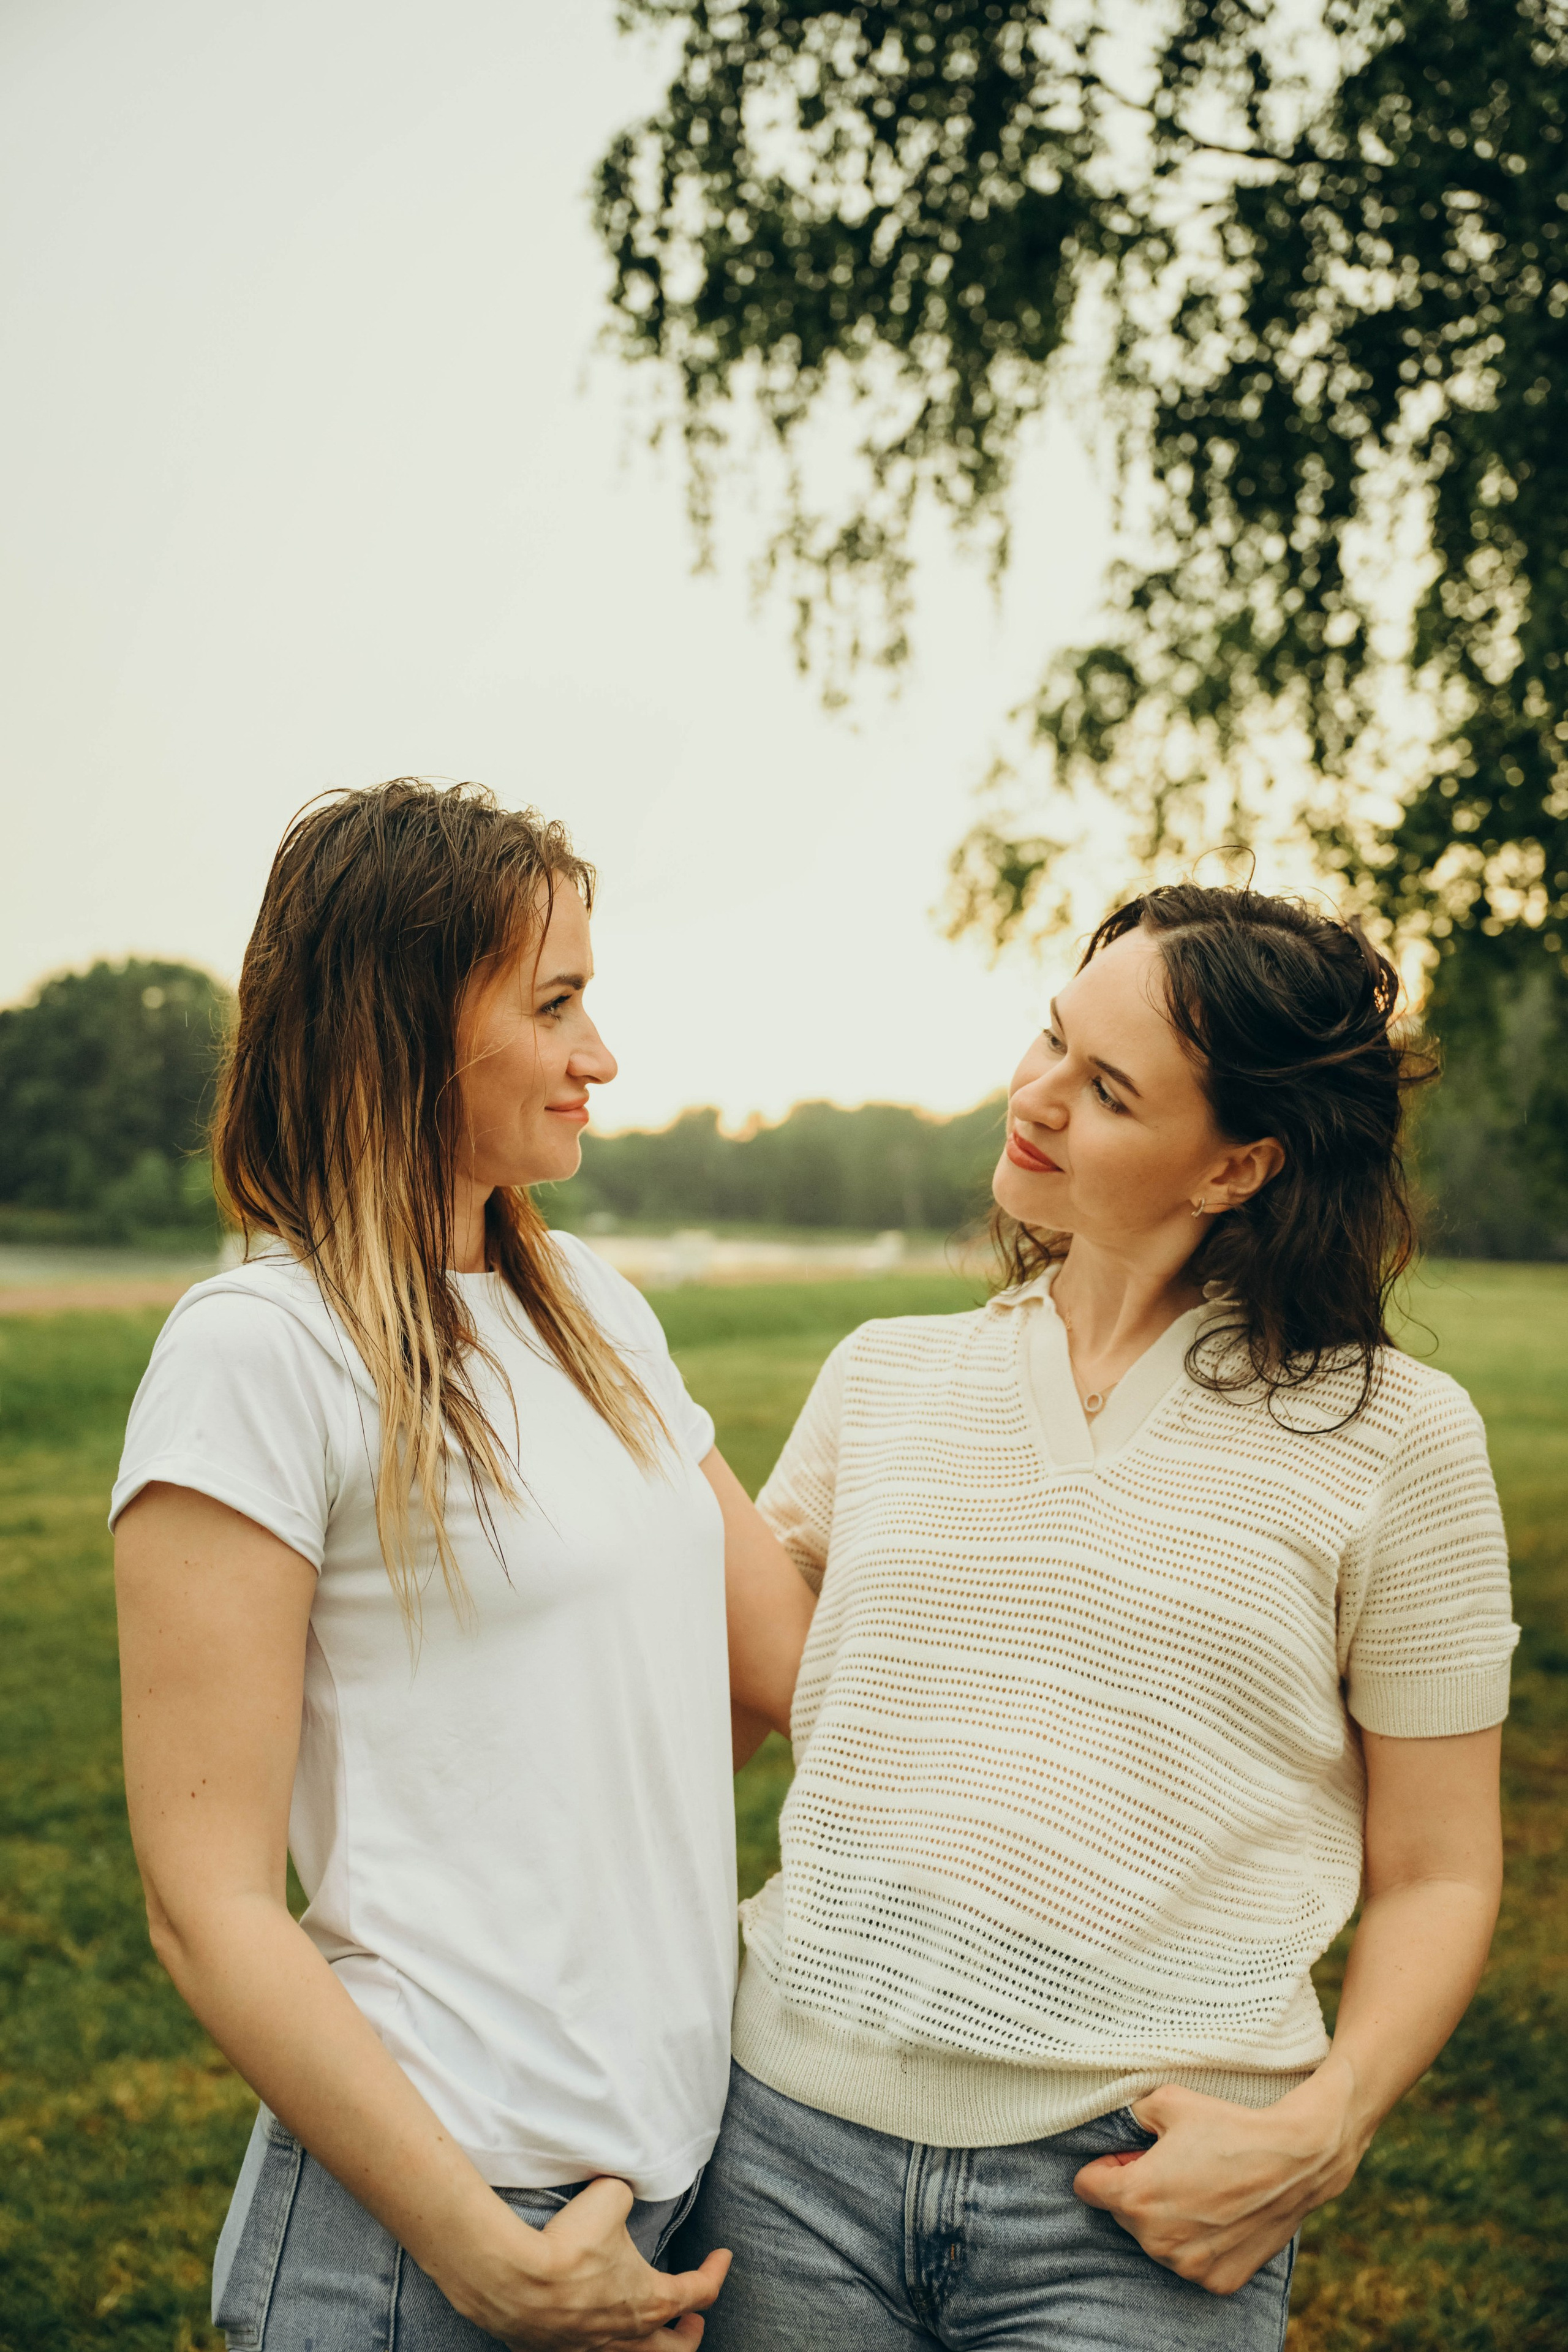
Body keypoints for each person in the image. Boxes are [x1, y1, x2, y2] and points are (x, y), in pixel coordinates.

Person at [676, 883, 1518, 2351]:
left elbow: (1439, 1870)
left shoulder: (1397, 1439)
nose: (1037, 1099)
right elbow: (708, 1728)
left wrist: (1323, 2129)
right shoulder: (880, 1379)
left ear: (1235, 1166)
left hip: (1138, 2210)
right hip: (783, 2160)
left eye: (1108, 1090)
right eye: (1049, 1042)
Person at [111, 780, 810, 2351]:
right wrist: (479, 2255)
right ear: (405, 1028)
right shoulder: (261, 1352)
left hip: (656, 2196)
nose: (600, 1057)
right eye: (554, 1006)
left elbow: (780, 1668)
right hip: (421, 2243)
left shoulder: (600, 1317)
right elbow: (202, 1900)